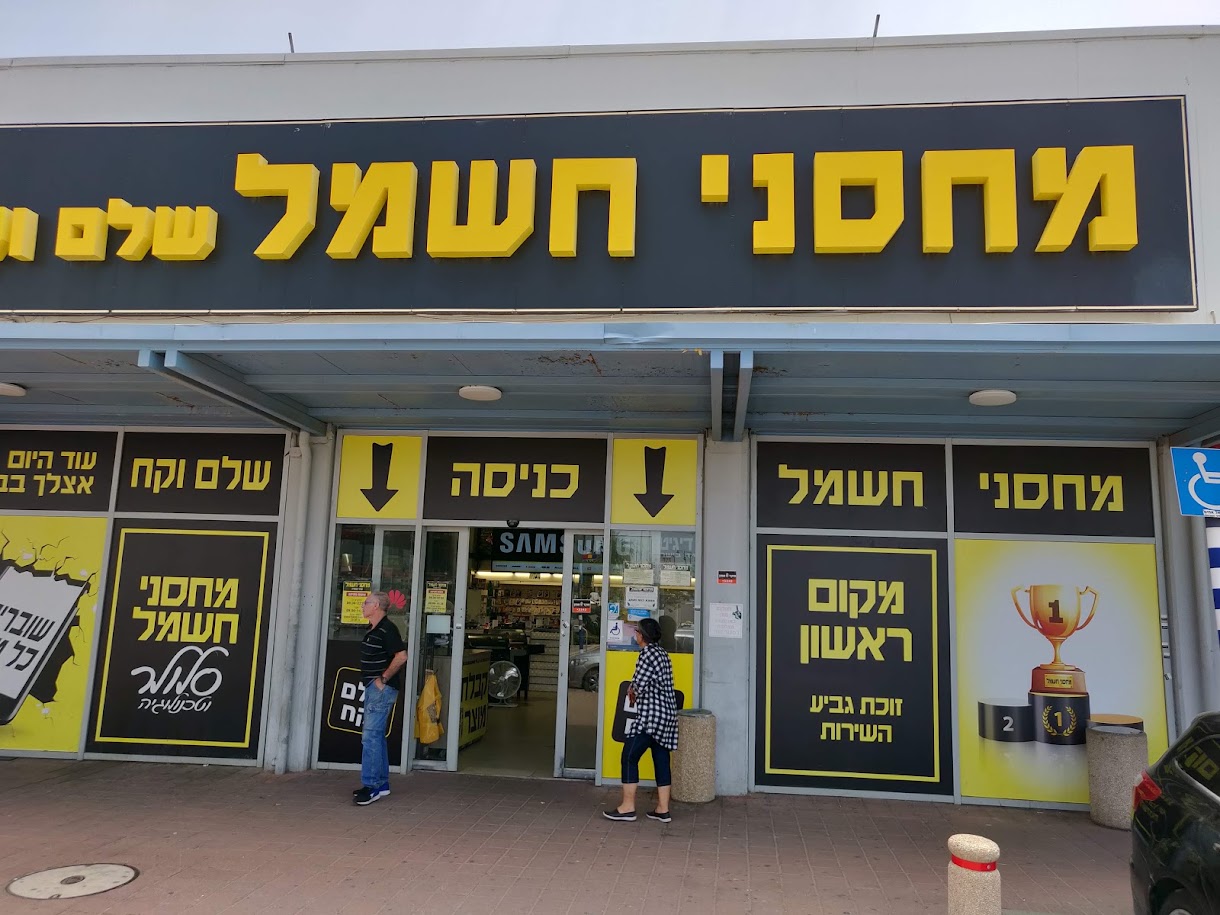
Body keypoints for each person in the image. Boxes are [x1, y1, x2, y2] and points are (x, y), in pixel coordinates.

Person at [604, 617, 678, 823]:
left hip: (650, 717)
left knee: (629, 756)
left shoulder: (647, 654)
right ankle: (663, 809)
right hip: (666, 717)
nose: (635, 634)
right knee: (661, 760)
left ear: (642, 635)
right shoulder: (662, 653)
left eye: (636, 631)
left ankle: (627, 807)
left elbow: (639, 684)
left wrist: (632, 690)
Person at [353, 591, 406, 806]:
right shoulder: (374, 629)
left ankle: (371, 786)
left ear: (376, 606)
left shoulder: (387, 629)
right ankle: (381, 784)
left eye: (366, 603)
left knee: (370, 737)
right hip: (374, 688)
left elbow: (401, 656)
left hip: (380, 689)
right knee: (376, 737)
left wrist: (383, 679)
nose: (362, 606)